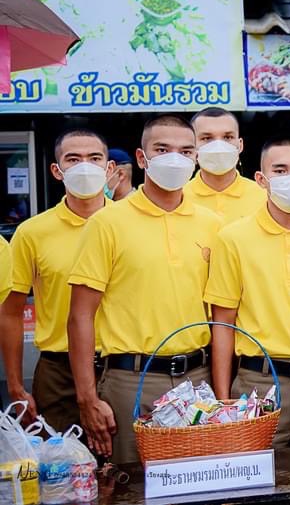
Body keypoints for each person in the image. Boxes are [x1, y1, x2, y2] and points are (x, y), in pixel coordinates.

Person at [67, 115, 222, 463]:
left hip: (196, 379)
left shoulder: (212, 225)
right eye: (162, 149)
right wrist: (87, 398)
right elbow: (80, 317)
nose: (174, 159)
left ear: (196, 159)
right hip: (129, 380)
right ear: (141, 158)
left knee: (199, 482)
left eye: (185, 151)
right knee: (130, 489)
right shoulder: (107, 223)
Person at [205, 137, 290, 446]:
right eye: (280, 170)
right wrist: (223, 396)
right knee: (258, 484)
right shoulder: (233, 238)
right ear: (261, 179)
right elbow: (223, 323)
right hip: (258, 382)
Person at [1, 130, 113, 433]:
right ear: (56, 170)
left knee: (128, 469)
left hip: (121, 365)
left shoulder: (130, 223)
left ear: (109, 168)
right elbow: (10, 312)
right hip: (57, 371)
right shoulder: (32, 233)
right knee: (62, 471)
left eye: (94, 158)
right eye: (73, 159)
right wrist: (15, 386)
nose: (84, 167)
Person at [183, 107, 265, 223]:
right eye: (207, 138)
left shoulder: (264, 197)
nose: (218, 145)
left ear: (240, 145)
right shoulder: (178, 197)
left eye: (227, 137)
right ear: (192, 145)